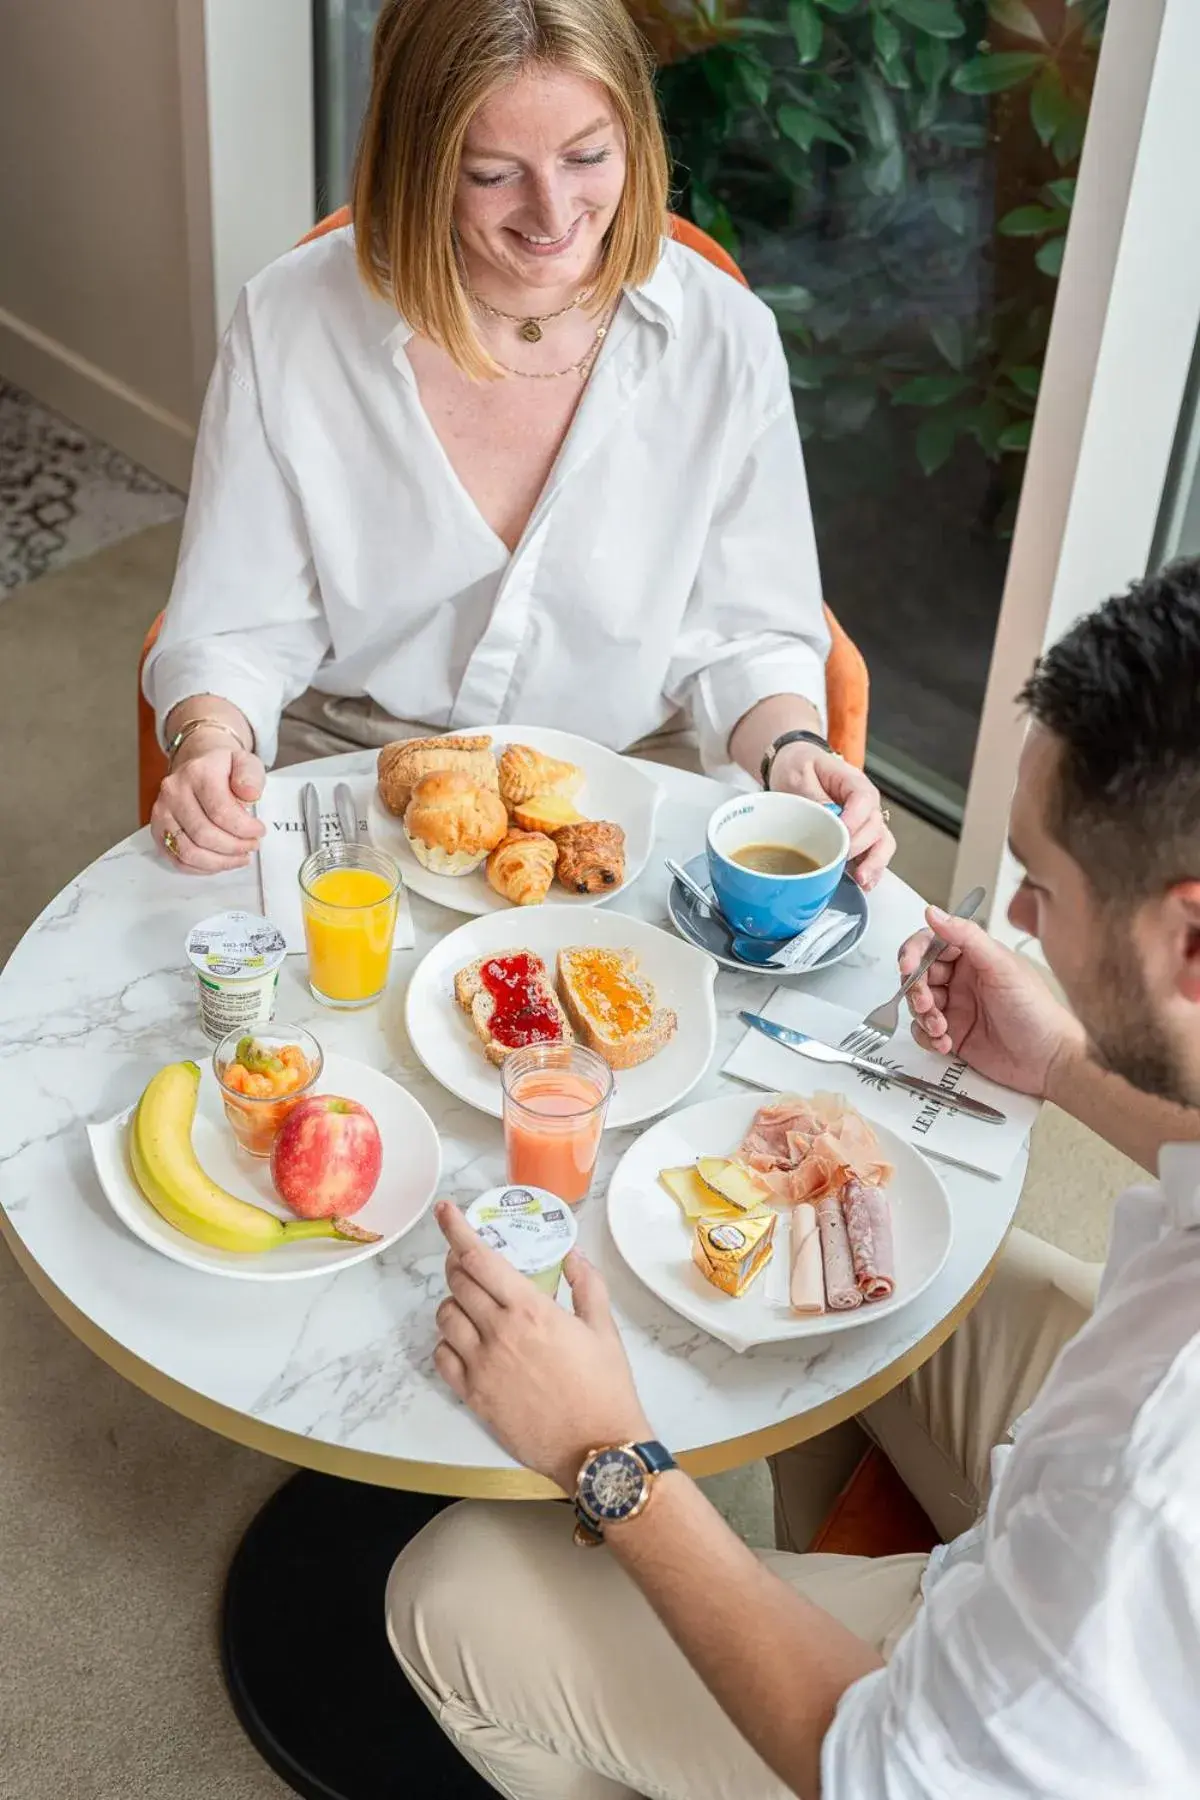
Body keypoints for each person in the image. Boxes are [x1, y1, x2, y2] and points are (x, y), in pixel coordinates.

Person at [386, 558, 1200, 1799]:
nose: (1021, 920)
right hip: (1092, 1510)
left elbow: (886, 1773)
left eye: (1041, 885)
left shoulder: (1148, 1480)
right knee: (908, 1291)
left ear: (1187, 936)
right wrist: (1066, 1065)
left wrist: (612, 1456)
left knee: (444, 1593)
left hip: (979, 1710)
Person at [143, 0, 892, 883]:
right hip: (355, 763)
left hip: (621, 780)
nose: (553, 215)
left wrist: (791, 750)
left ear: (635, 139)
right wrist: (211, 742)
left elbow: (745, 635)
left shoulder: (724, 338)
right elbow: (238, 624)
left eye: (588, 157)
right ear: (417, 166)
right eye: (493, 173)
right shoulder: (291, 323)